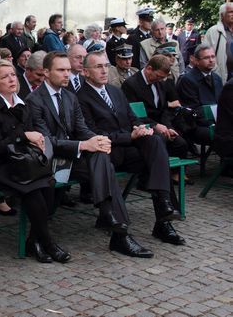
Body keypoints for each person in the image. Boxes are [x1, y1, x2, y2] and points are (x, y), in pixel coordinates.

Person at [27, 52, 154, 258]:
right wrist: (84, 144)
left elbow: (82, 128)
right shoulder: (34, 100)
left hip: (73, 159)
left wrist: (97, 140)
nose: (67, 74)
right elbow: (47, 141)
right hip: (50, 160)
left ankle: (113, 222)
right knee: (102, 160)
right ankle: (117, 230)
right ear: (46, 72)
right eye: (61, 70)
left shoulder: (69, 96)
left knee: (101, 154)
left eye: (68, 69)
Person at [78, 51, 185, 246]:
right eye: (98, 67)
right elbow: (91, 134)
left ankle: (163, 213)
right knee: (154, 155)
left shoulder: (114, 91)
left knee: (155, 141)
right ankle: (123, 232)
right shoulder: (80, 97)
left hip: (129, 149)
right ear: (85, 72)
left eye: (106, 66)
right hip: (106, 153)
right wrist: (130, 136)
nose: (104, 70)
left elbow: (131, 117)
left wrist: (140, 128)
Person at [0, 59, 70, 263]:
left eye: (13, 75)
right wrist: (24, 136)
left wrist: (38, 142)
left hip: (21, 162)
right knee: (33, 189)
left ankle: (33, 241)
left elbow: (33, 133)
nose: (11, 79)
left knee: (50, 184)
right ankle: (48, 244)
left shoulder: (22, 103)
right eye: (5, 76)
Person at [121, 55, 190, 159]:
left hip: (161, 125)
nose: (160, 79)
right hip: (142, 126)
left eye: (162, 77)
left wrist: (168, 127)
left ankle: (176, 174)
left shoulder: (160, 82)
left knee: (180, 143)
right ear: (149, 69)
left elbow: (163, 110)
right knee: (159, 140)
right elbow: (133, 114)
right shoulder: (131, 84)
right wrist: (155, 125)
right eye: (158, 76)